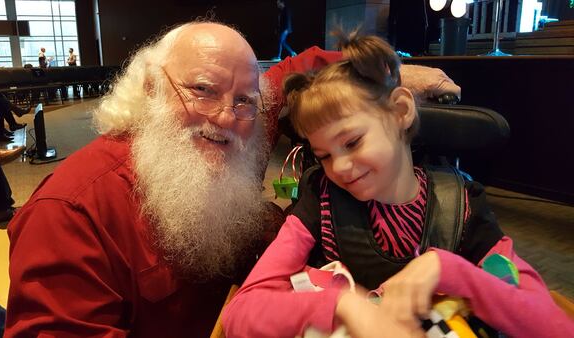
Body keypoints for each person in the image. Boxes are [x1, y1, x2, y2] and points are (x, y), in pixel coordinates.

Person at [5, 21, 462, 337]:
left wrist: (385, 70)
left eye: (244, 100)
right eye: (201, 89)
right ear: (151, 89)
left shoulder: (241, 123)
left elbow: (288, 75)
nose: (225, 116)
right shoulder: (70, 213)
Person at [222, 33, 574, 337]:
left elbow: (554, 326)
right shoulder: (319, 201)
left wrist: (450, 271)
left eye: (354, 142)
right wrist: (343, 305)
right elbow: (240, 314)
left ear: (401, 110)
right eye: (324, 155)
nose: (340, 167)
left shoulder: (463, 208)